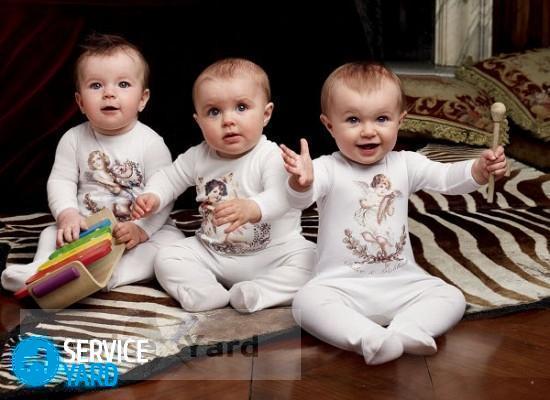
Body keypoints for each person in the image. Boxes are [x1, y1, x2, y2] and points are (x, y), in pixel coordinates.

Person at [280, 62, 507, 365]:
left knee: (451, 297)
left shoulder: (406, 164)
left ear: (400, 121)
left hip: (402, 283)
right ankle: (369, 338)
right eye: (353, 120)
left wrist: (478, 170)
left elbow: (446, 178)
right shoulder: (326, 168)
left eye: (382, 118)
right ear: (329, 125)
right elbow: (299, 200)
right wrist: (300, 182)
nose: (368, 130)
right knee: (306, 303)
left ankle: (408, 330)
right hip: (341, 286)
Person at [1, 33, 183, 292]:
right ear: (80, 102)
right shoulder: (73, 139)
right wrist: (67, 214)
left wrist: (141, 229)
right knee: (50, 233)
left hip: (133, 231)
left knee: (170, 241)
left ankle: (113, 276)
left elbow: (164, 194)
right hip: (88, 228)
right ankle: (39, 271)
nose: (109, 93)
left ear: (142, 99)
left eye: (123, 84)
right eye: (96, 85)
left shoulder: (151, 143)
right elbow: (61, 180)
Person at [132, 58, 315, 313]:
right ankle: (204, 291)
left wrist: (253, 207)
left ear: (266, 114)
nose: (228, 120)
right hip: (213, 252)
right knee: (166, 257)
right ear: (198, 121)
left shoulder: (271, 156)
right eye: (214, 112)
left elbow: (283, 197)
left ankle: (257, 292)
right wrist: (153, 195)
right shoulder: (198, 156)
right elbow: (170, 177)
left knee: (313, 260)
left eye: (241, 107)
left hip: (273, 254)